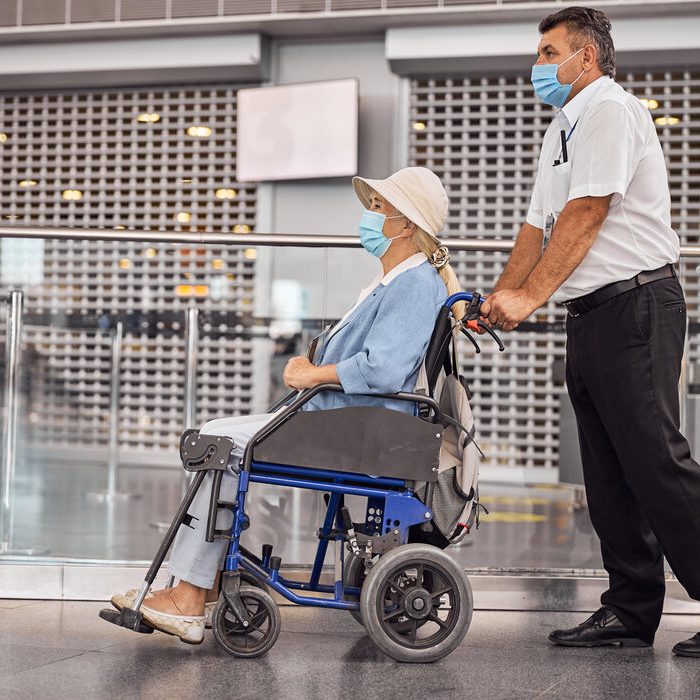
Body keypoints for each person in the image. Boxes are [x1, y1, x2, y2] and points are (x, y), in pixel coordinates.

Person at [110, 167, 463, 644]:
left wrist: (310, 374)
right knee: (216, 433)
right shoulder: (395, 282)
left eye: (379, 207)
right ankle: (199, 582)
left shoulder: (415, 283)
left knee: (219, 442)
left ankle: (191, 594)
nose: (368, 215)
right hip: (344, 419)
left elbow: (382, 369)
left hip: (357, 427)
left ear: (404, 226)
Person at [481, 6, 700, 657]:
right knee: (607, 476)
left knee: (657, 463)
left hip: (637, 306)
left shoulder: (609, 109)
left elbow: (587, 213)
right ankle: (631, 611)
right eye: (539, 53)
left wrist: (529, 297)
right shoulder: (561, 129)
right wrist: (503, 296)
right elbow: (536, 227)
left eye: (550, 53)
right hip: (591, 316)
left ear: (588, 58)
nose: (539, 65)